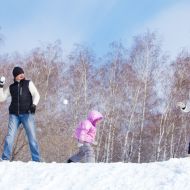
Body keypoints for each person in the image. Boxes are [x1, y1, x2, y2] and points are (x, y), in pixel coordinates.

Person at [0, 66, 41, 161]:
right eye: (19, 74)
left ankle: (36, 160)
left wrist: (34, 105)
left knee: (32, 137)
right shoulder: (11, 87)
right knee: (10, 137)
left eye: (22, 73)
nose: (22, 75)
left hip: (27, 114)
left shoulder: (28, 83)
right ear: (15, 76)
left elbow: (36, 95)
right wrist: (1, 86)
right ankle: (5, 158)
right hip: (14, 115)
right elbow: (1, 98)